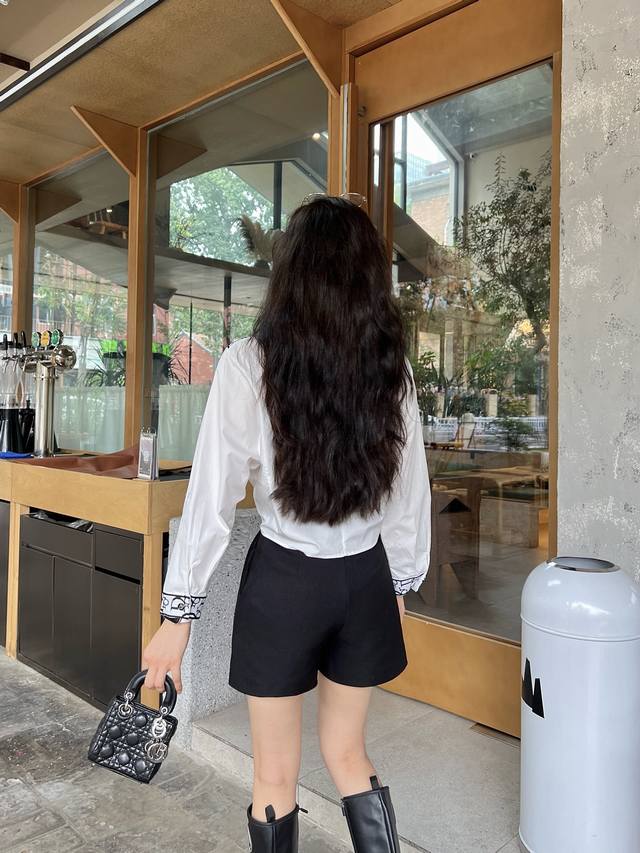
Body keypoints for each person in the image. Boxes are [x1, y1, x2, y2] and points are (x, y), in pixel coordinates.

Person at [142, 194, 431, 853]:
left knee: (274, 774)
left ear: (290, 271)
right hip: (364, 579)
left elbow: (211, 497)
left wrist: (177, 614)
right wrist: (400, 582)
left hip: (284, 584)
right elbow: (408, 492)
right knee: (349, 753)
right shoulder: (392, 370)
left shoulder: (250, 362)